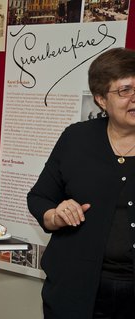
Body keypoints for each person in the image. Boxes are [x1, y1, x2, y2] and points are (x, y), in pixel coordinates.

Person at [27, 47, 135, 319]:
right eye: (125, 90)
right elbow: (39, 198)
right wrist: (55, 214)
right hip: (75, 291)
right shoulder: (76, 138)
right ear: (100, 99)